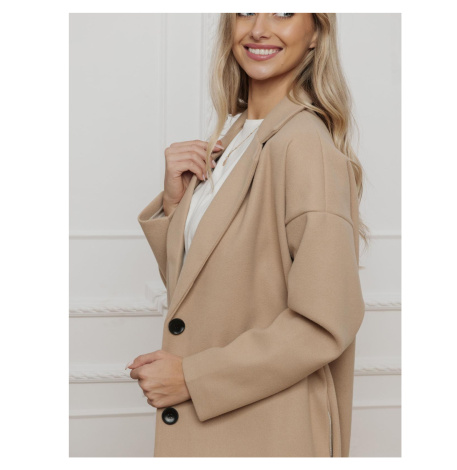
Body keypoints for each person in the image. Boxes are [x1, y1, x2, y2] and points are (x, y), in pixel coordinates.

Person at [129, 13, 368, 457]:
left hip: (269, 432)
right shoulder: (236, 137)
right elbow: (203, 294)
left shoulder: (304, 145)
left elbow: (326, 321)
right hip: (225, 427)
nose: (258, 28)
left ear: (316, 33)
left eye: (283, 11)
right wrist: (176, 206)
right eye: (244, 10)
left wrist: (192, 378)